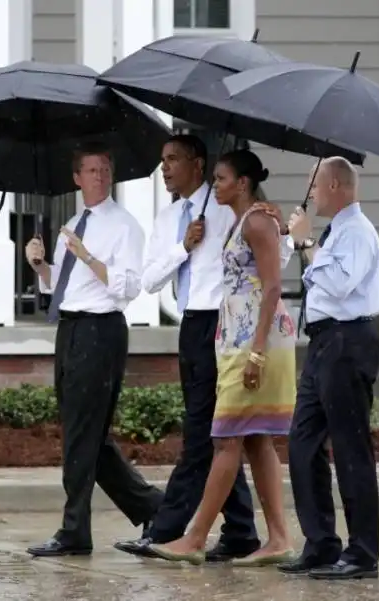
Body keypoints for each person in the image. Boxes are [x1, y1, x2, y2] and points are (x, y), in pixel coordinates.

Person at [114, 136, 295, 563]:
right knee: (231, 433)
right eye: (163, 160)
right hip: (194, 327)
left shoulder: (235, 209)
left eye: (173, 160)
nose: (165, 169)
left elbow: (275, 263)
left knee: (211, 433)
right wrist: (184, 247)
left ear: (197, 165)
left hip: (231, 325)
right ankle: (243, 533)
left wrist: (285, 228)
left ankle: (172, 529)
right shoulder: (170, 218)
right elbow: (151, 281)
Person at [24, 143, 164, 558]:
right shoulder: (73, 222)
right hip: (69, 328)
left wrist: (87, 256)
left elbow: (127, 286)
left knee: (83, 436)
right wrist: (40, 267)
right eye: (91, 170)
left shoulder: (124, 226)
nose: (100, 176)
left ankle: (74, 530)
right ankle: (153, 506)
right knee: (87, 436)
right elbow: (62, 288)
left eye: (105, 169)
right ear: (76, 178)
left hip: (100, 330)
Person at [277, 156, 379, 581]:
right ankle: (322, 544)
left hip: (348, 341)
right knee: (302, 443)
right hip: (323, 342)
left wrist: (307, 245)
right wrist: (297, 240)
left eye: (315, 184)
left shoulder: (358, 232)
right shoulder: (334, 230)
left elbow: (341, 283)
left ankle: (362, 554)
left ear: (337, 187)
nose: (310, 191)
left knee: (350, 448)